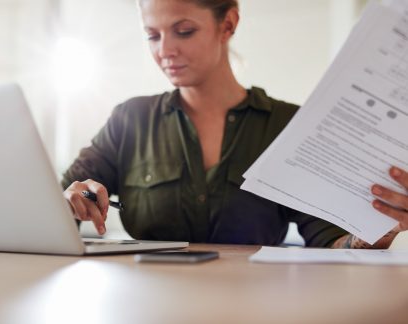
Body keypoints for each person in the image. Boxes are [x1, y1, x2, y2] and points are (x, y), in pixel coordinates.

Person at [61, 0, 408, 248]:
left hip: (254, 309)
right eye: (153, 36)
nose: (165, 50)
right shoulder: (130, 120)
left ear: (227, 24)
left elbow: (329, 237)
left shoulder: (285, 124)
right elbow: (57, 205)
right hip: (145, 306)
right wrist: (70, 197)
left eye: (183, 31)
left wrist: (374, 233)